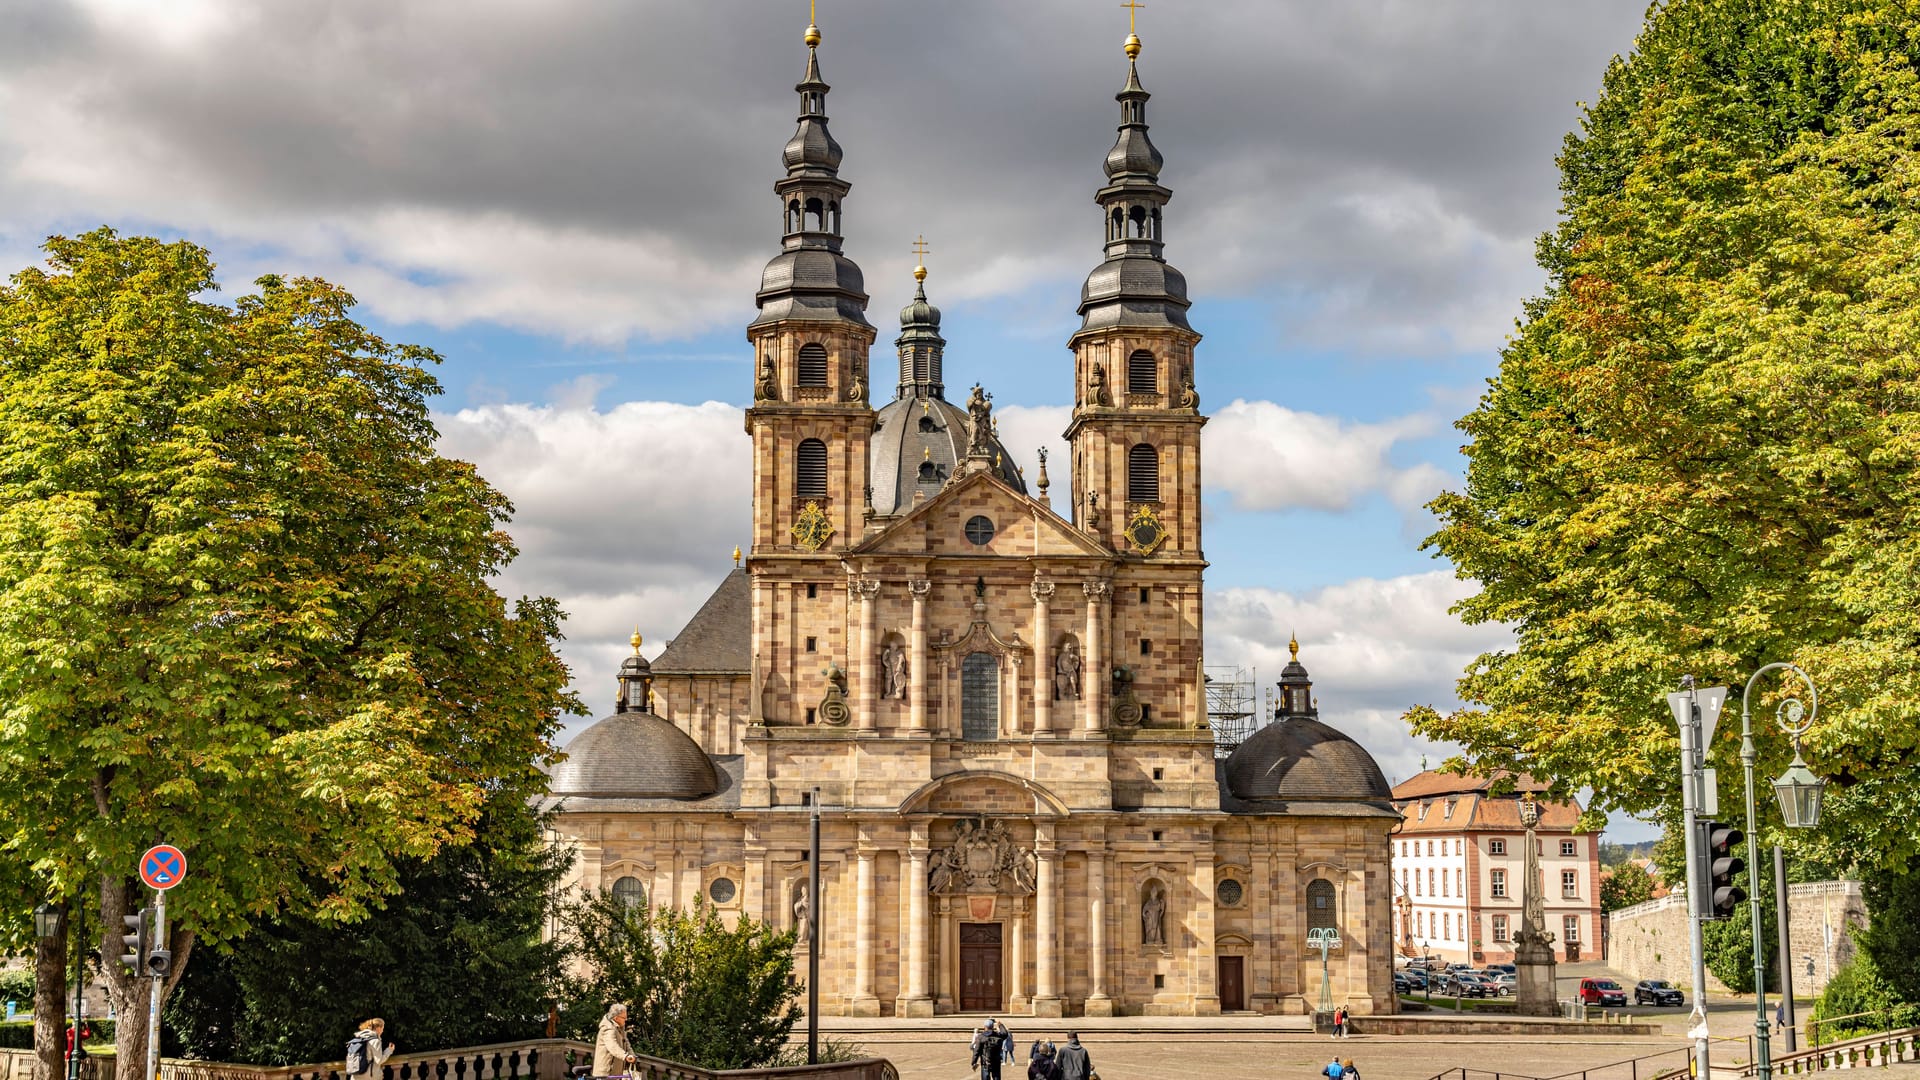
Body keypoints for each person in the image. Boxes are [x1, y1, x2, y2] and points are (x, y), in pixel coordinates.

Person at [593, 1003, 634, 1077]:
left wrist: (632, 1055)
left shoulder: (620, 1028)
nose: (626, 1020)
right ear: (616, 1018)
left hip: (615, 1073)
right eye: (624, 1018)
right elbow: (612, 1046)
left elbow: (627, 1043)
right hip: (606, 1074)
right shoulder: (608, 1028)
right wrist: (625, 1056)